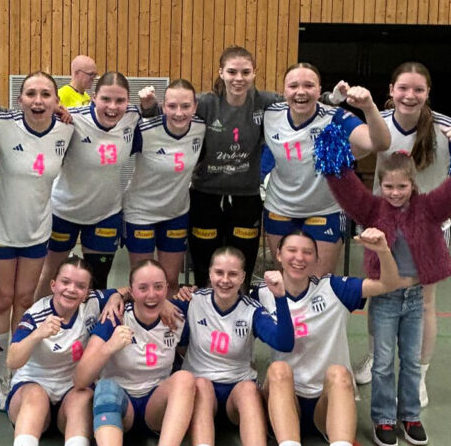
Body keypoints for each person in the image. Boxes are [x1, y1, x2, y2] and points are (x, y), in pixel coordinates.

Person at [324, 142, 451, 446]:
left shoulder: (429, 208)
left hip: (416, 299)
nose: (394, 193)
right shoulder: (372, 210)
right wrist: (333, 159)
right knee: (382, 363)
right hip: (385, 300)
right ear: (380, 185)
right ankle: (383, 419)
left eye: (401, 187)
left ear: (413, 184)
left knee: (412, 361)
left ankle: (410, 415)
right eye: (388, 187)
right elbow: (347, 189)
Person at [352, 61, 451, 407]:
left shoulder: (445, 126)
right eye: (403, 88)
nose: (409, 95)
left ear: (428, 93)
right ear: (391, 91)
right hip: (384, 228)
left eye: (418, 89)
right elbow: (349, 153)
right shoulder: (379, 122)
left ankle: (419, 375)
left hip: (428, 228)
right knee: (381, 296)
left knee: (425, 303)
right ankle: (374, 357)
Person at [257, 227, 404, 446]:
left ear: (316, 259)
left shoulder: (334, 289)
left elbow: (389, 283)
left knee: (339, 373)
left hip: (326, 407)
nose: (299, 257)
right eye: (292, 250)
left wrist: (382, 250)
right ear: (278, 255)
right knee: (278, 370)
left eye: (307, 252)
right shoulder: (263, 293)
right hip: (286, 404)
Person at [74, 260, 196, 446]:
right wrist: (109, 347)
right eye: (143, 288)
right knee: (104, 387)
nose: (151, 295)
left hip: (155, 406)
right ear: (131, 290)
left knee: (186, 379)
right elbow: (80, 379)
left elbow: (214, 296)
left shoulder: (177, 316)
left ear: (167, 288)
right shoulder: (114, 318)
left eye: (158, 287)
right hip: (121, 407)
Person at [148, 46, 278, 288]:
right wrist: (148, 108)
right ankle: (204, 305)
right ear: (221, 72)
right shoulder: (206, 103)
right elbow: (171, 114)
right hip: (205, 196)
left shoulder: (264, 102)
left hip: (246, 198)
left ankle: (241, 306)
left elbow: (301, 101)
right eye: (232, 72)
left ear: (254, 73)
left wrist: (332, 99)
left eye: (245, 72)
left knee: (243, 263)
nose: (239, 78)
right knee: (204, 264)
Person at [0, 71, 74, 409]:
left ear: (56, 101)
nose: (38, 100)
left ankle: (18, 368)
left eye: (46, 94)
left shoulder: (66, 130)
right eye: (31, 93)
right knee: (2, 299)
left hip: (37, 228)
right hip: (1, 226)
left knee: (25, 299)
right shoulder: (2, 124)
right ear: (19, 99)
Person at [178, 247, 294, 446]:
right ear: (209, 274)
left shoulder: (252, 310)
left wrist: (280, 297)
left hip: (236, 399)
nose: (225, 280)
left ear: (243, 277)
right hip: (201, 397)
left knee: (249, 389)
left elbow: (284, 342)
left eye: (232, 274)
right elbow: (152, 305)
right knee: (201, 384)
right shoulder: (193, 301)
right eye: (219, 272)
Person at [262, 63, 390, 277]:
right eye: (293, 86)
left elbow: (379, 143)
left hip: (324, 210)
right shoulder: (270, 114)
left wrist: (369, 107)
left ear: (319, 90)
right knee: (287, 279)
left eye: (308, 85)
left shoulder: (334, 117)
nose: (301, 92)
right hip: (279, 207)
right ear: (283, 91)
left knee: (319, 282)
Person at [6, 257, 115, 446]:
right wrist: (38, 334)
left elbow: (126, 291)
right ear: (53, 285)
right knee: (35, 395)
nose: (71, 290)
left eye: (80, 286)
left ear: (87, 292)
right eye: (65, 282)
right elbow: (12, 360)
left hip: (68, 393)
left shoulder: (92, 304)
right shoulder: (36, 314)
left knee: (83, 395)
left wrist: (117, 298)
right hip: (32, 391)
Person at [35, 71, 140, 295]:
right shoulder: (72, 119)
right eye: (105, 99)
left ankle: (90, 318)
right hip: (64, 212)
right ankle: (39, 315)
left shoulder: (132, 117)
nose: (112, 107)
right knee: (50, 275)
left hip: (105, 214)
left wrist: (150, 107)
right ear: (93, 97)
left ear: (128, 102)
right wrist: (51, 111)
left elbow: (159, 117)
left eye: (120, 100)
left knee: (98, 281)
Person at [123, 80, 206, 294]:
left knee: (170, 282)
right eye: (172, 106)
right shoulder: (145, 130)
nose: (179, 113)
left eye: (185, 106)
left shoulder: (200, 128)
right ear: (163, 106)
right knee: (143, 282)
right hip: (140, 214)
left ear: (195, 106)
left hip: (175, 213)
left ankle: (168, 317)